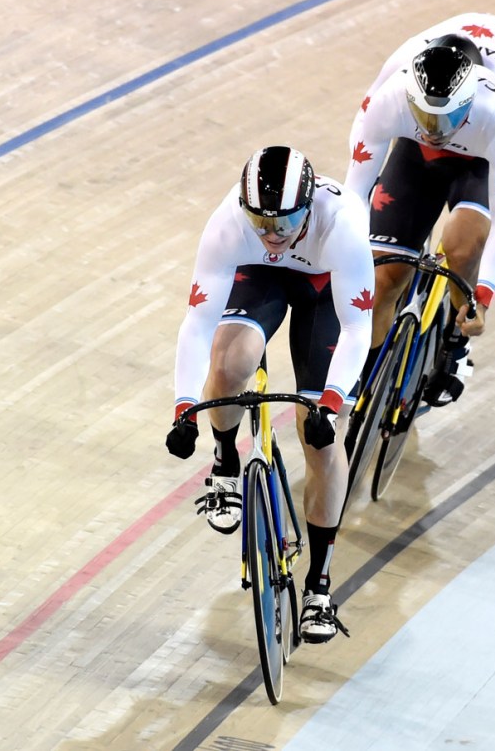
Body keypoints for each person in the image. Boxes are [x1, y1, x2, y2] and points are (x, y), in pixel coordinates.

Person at [165, 146, 374, 643]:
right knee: (230, 364)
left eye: (285, 221)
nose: (273, 233)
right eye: (260, 220)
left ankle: (319, 587)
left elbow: (357, 329)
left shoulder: (342, 222)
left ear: (309, 205)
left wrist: (331, 401)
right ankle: (225, 464)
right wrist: (183, 408)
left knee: (322, 440)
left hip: (324, 290)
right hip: (260, 278)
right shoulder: (228, 224)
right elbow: (197, 324)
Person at [344, 13, 495, 405]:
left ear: (469, 100)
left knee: (462, 245)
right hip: (416, 151)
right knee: (383, 276)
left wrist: (481, 296)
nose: (436, 128)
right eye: (425, 115)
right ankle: (365, 380)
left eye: (447, 116)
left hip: (484, 152)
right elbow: (356, 191)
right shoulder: (391, 95)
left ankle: (456, 343)